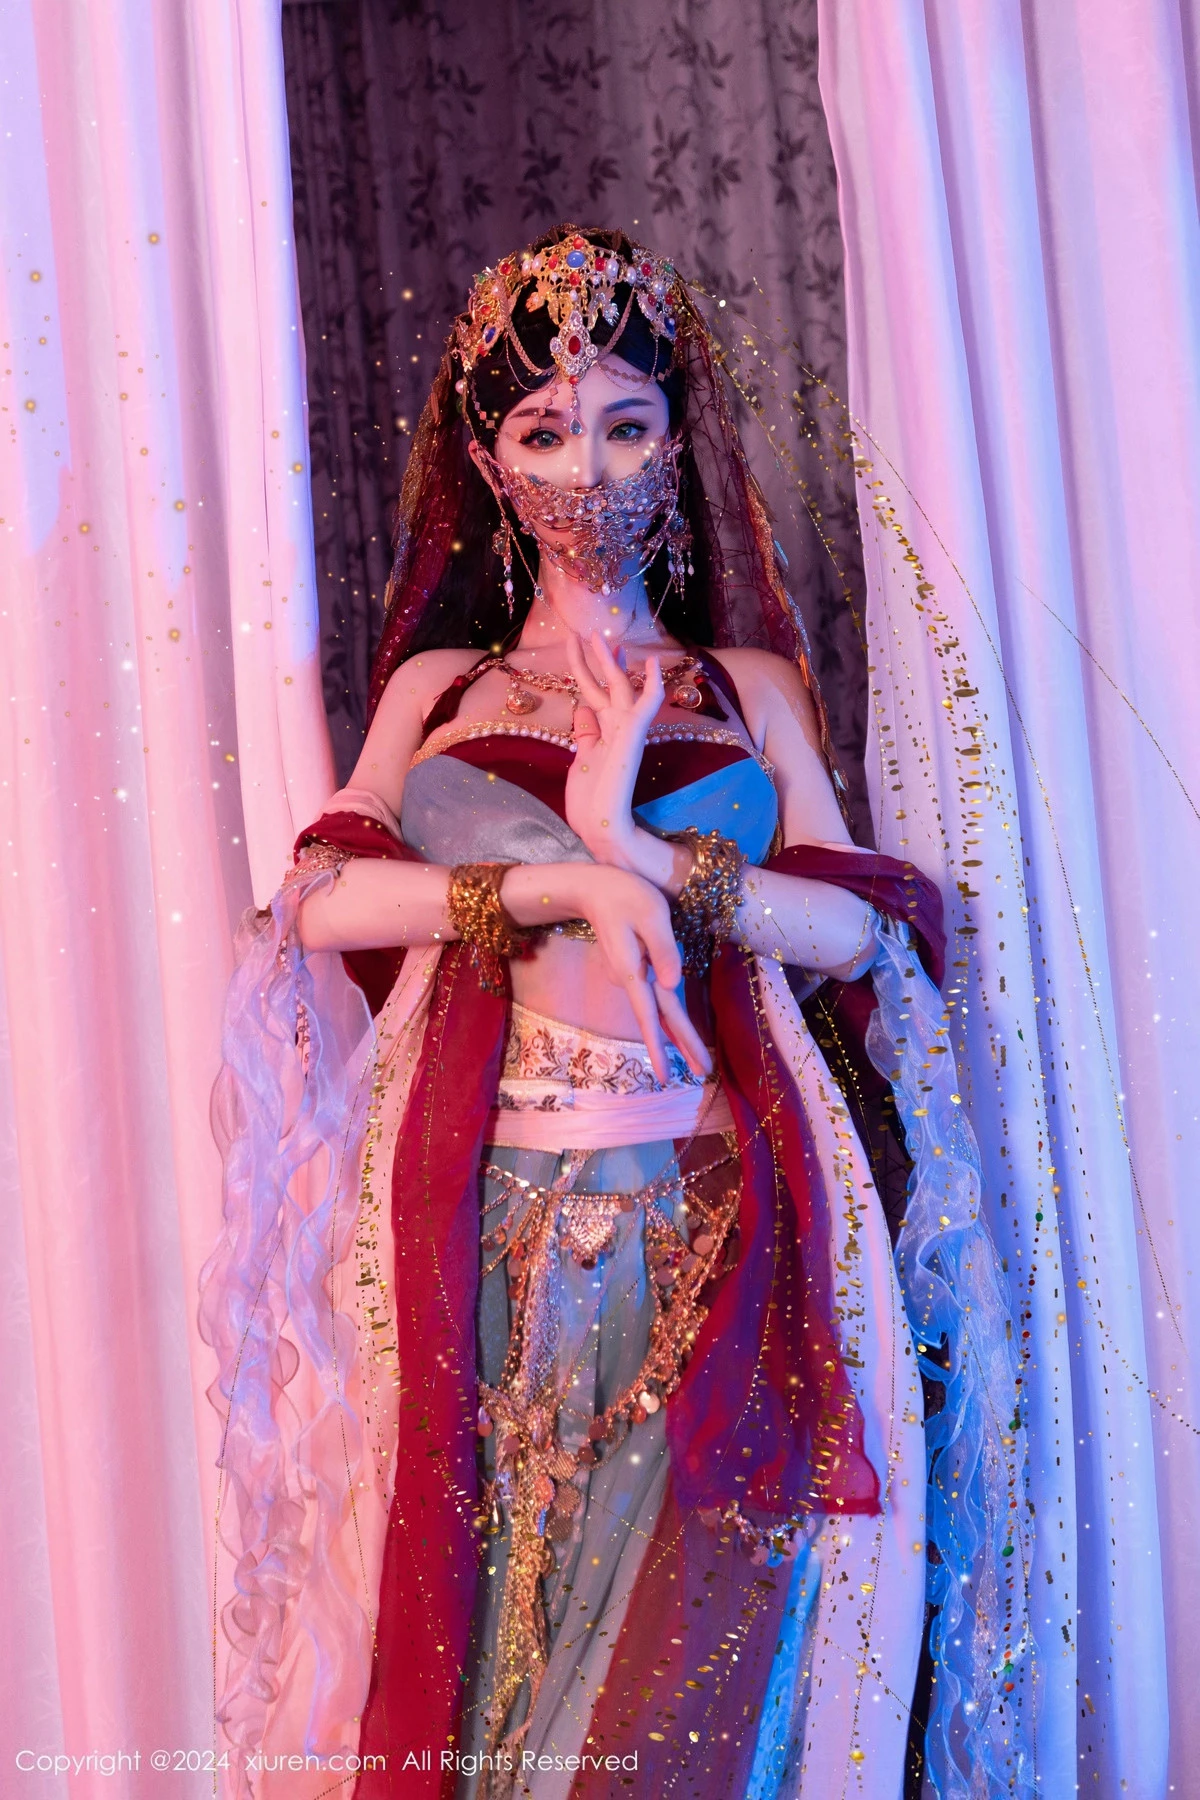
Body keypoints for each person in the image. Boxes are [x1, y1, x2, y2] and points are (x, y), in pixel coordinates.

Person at [200, 227, 1031, 1800]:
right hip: (489, 1214)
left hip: (711, 1210)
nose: (589, 470)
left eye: (626, 425)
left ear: (676, 435)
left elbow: (858, 929)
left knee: (697, 1646)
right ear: (488, 463)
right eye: (544, 431)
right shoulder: (443, 690)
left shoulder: (743, 687)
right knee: (501, 1637)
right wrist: (562, 881)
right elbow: (317, 902)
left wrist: (646, 854)